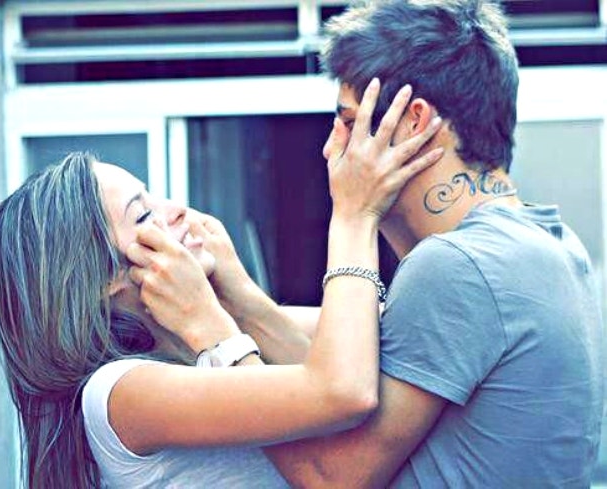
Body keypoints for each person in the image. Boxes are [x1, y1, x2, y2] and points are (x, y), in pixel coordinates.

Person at [148, 0, 604, 487]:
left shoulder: (458, 266)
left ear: (412, 122)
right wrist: (239, 300)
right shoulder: (547, 245)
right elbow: (343, 385)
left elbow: (330, 475)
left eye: (348, 123)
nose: (331, 147)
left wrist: (214, 333)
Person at [0, 81, 443, 487]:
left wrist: (239, 297)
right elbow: (344, 392)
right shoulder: (120, 392)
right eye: (144, 215)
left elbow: (384, 334)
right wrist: (353, 214)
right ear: (104, 278)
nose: (177, 211)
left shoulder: (193, 347)